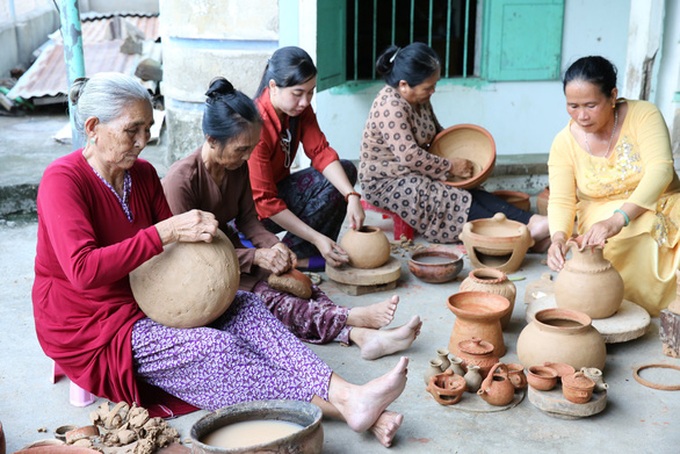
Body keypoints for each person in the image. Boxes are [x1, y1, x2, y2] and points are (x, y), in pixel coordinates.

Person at [31, 72, 409, 447]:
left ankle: (345, 392)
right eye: (133, 130)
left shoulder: (142, 175)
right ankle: (350, 407)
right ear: (94, 127)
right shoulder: (63, 180)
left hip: (150, 302)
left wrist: (219, 264)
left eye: (147, 129)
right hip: (92, 323)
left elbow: (179, 257)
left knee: (247, 307)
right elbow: (83, 270)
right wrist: (168, 232)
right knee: (217, 350)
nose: (143, 141)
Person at [162, 77, 422, 360]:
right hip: (202, 273)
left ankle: (361, 333)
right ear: (212, 140)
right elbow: (192, 256)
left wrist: (274, 246)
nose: (247, 156)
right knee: (271, 302)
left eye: (251, 148)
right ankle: (355, 324)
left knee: (299, 284)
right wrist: (255, 258)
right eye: (241, 150)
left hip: (232, 255)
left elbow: (249, 220)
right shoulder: (181, 181)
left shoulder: (236, 167)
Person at [358, 43, 550, 248]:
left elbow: (438, 133)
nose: (433, 90)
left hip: (416, 170)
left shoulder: (419, 97)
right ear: (404, 85)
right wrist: (450, 166)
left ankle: (530, 223)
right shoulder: (390, 105)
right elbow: (410, 157)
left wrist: (460, 160)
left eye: (434, 84)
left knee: (470, 190)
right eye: (428, 87)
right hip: (387, 181)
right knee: (444, 198)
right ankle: (515, 237)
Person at [546, 56, 680, 316]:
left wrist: (619, 219)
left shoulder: (644, 114)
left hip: (664, 201)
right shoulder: (563, 143)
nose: (581, 115)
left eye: (591, 105)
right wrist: (558, 238)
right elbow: (561, 200)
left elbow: (661, 169)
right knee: (610, 243)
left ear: (613, 96)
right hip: (600, 214)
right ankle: (616, 302)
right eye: (572, 106)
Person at [249, 46, 365, 270]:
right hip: (248, 213)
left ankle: (298, 255)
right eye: (298, 93)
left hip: (276, 193)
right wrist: (316, 237)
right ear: (273, 86)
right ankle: (296, 254)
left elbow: (320, 151)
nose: (305, 101)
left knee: (345, 171)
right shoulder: (256, 126)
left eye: (310, 92)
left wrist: (352, 196)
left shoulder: (300, 110)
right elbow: (265, 202)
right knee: (310, 222)